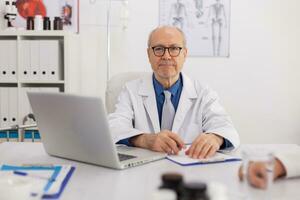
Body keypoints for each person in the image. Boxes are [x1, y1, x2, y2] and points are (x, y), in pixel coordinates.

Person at [108, 26, 240, 159]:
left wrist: (216, 138)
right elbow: (113, 127)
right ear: (149, 54)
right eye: (159, 49)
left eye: (174, 49)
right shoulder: (131, 90)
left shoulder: (203, 92)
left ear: (185, 54)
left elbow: (226, 127)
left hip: (188, 170)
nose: (166, 56)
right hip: (143, 169)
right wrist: (145, 140)